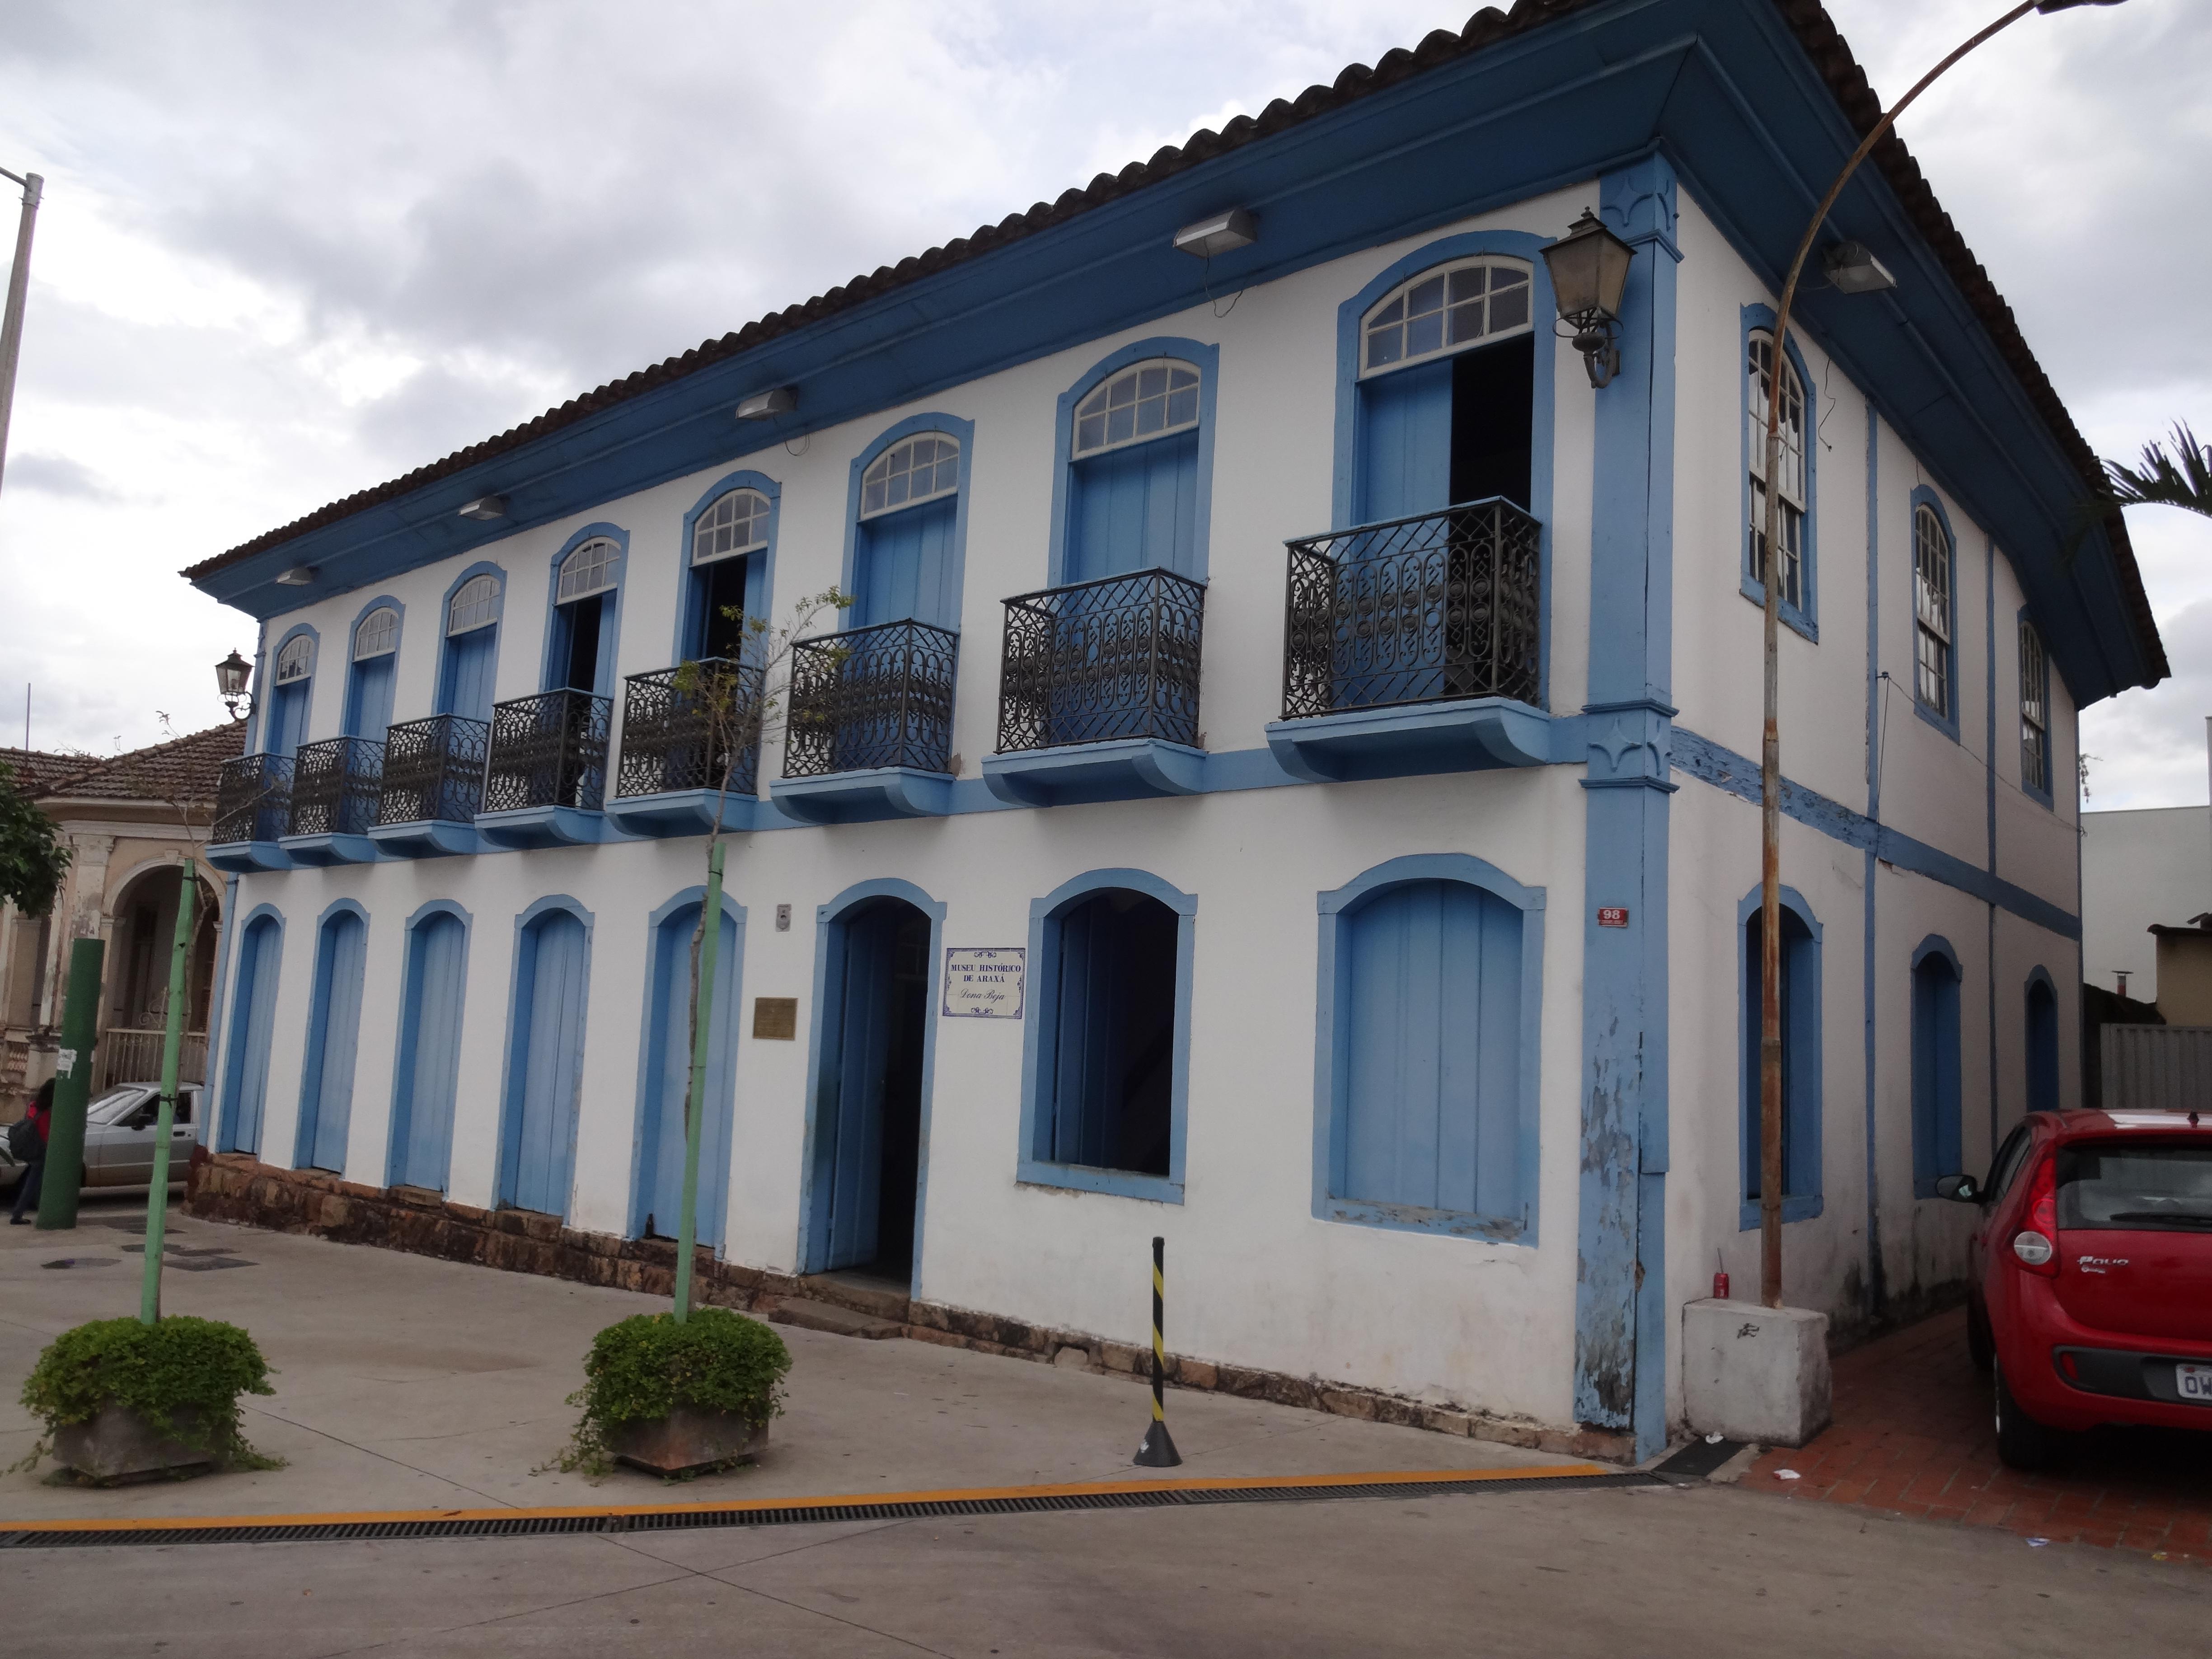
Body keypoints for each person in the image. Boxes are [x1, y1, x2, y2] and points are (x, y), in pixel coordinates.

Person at [9, 1077, 53, 1224]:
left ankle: (19, 1213)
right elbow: (46, 1134)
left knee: (32, 1181)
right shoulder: (48, 1112)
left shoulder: (34, 1105)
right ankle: (19, 1214)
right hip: (41, 1151)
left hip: (31, 1149)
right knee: (34, 1183)